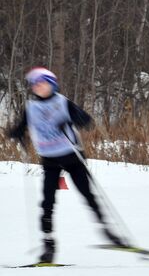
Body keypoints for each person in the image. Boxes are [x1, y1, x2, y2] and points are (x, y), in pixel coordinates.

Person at [8, 67, 126, 263]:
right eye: (35, 85)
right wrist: (17, 134)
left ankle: (108, 231)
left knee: (87, 194)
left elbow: (86, 121)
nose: (38, 87)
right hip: (49, 159)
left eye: (42, 83)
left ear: (51, 85)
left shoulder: (63, 103)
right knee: (47, 202)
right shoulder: (30, 107)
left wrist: (69, 121)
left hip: (72, 156)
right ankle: (48, 244)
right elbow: (21, 126)